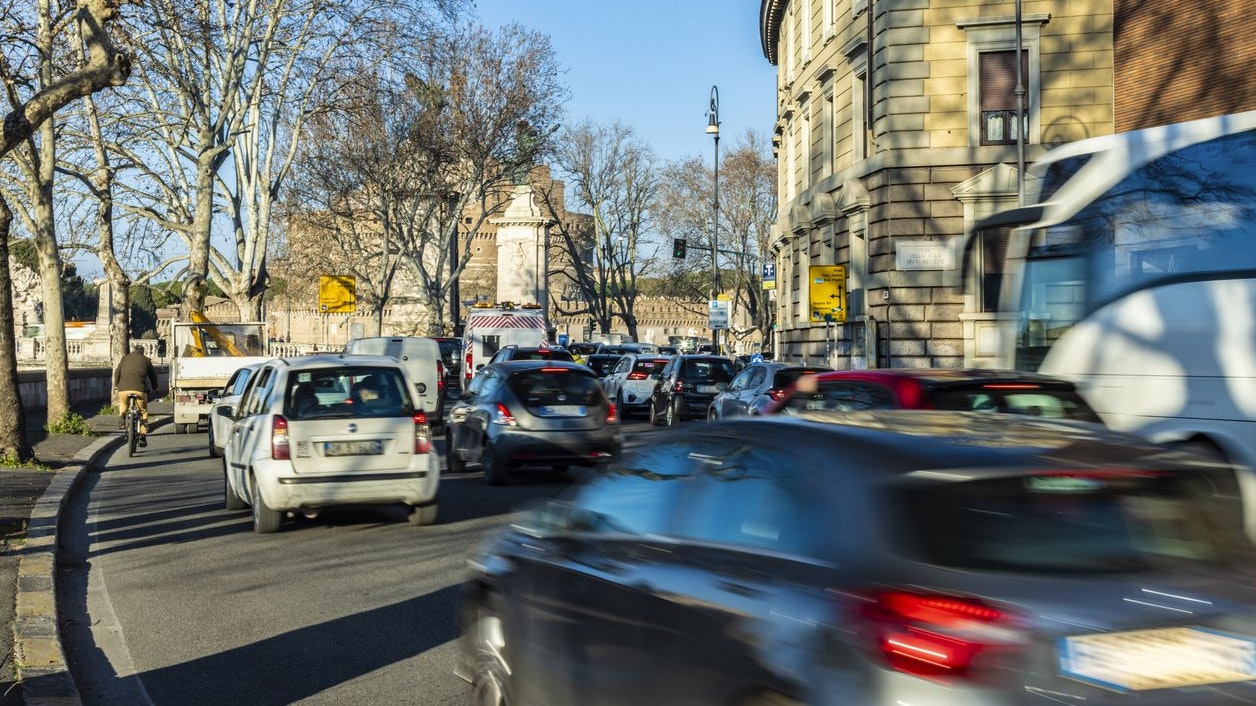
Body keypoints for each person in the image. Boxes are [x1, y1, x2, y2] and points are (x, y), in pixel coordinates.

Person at [114, 344, 159, 446]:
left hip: (123, 389)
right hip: (140, 390)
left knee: (123, 405)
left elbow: (117, 372)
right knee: (143, 411)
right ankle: (143, 435)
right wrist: (155, 388)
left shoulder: (124, 358)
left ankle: (122, 418)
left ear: (133, 351)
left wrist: (117, 385)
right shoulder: (146, 360)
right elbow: (153, 376)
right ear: (143, 352)